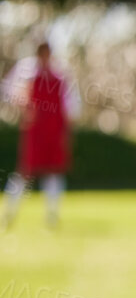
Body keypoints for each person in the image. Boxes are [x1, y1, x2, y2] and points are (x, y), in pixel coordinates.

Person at [2, 39, 81, 231]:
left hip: (54, 130)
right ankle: (9, 213)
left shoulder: (61, 74)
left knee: (54, 171)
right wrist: (24, 106)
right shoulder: (26, 71)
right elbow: (8, 90)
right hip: (35, 130)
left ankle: (52, 216)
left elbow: (72, 105)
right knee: (25, 171)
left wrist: (66, 132)